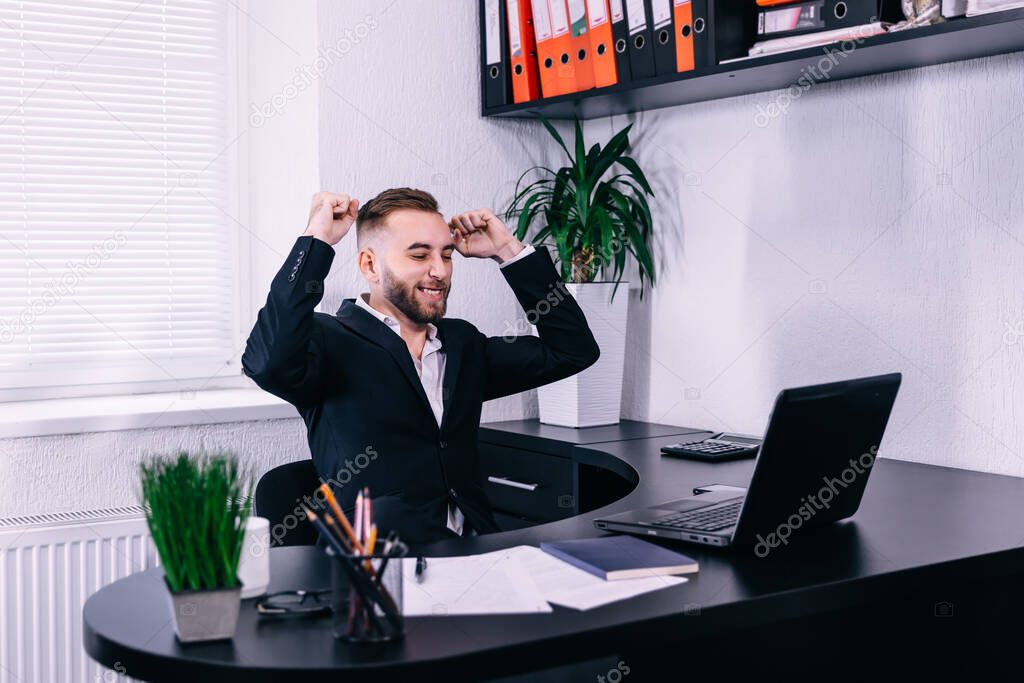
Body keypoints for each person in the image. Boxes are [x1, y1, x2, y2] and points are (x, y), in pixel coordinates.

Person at [242, 188, 600, 547]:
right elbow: (264, 362)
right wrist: (317, 240)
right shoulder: (327, 340)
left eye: (446, 255)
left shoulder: (462, 343)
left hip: (475, 554)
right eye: (419, 255)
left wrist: (508, 251)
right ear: (370, 265)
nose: (439, 271)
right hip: (378, 566)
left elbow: (572, 350)